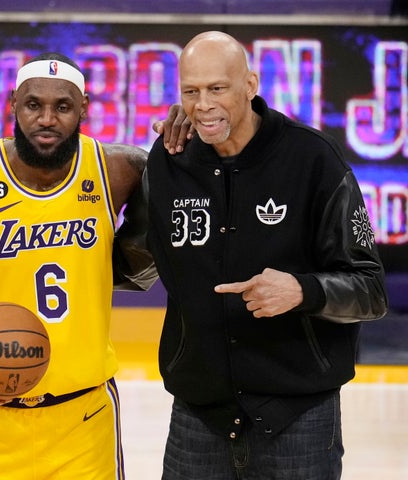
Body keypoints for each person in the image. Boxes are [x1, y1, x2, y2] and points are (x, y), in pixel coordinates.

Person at [0, 52, 169, 479]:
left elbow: (186, 182)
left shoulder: (119, 171)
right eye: (33, 104)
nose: (47, 118)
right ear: (12, 104)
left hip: (85, 418)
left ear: (83, 108)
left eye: (62, 106)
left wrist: (184, 138)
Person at [144, 31, 388, 479]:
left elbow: (370, 290)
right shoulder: (169, 161)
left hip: (298, 420)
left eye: (217, 88)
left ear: (250, 84)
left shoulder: (314, 160)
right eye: (191, 91)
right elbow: (137, 259)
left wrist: (303, 290)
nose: (203, 104)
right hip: (198, 418)